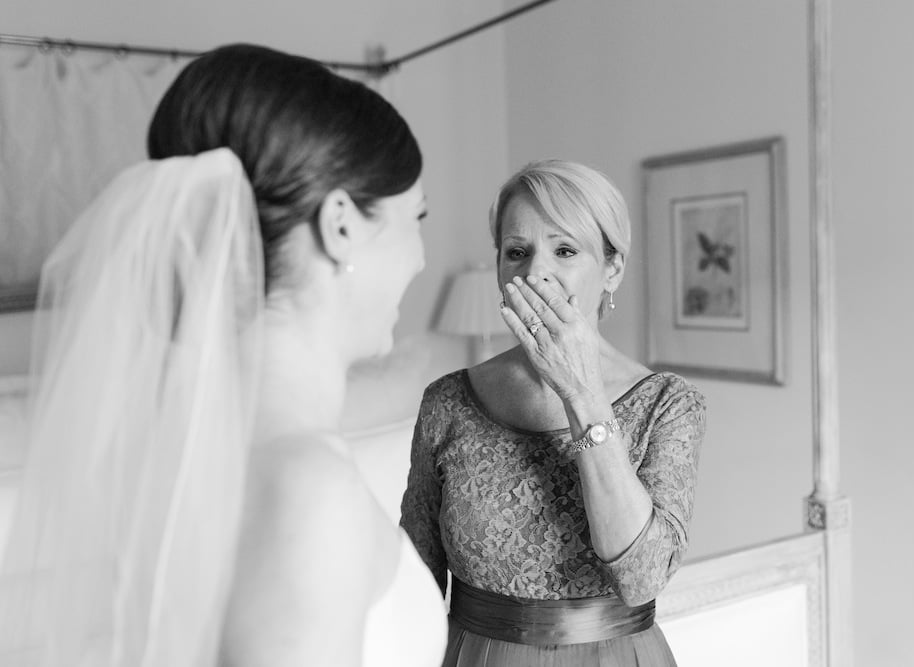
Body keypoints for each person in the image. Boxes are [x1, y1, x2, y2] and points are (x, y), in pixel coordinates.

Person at [0, 44, 446, 666]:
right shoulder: (307, 491)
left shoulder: (194, 460)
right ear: (340, 223)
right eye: (415, 217)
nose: (422, 257)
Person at [401, 160, 706, 666]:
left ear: (612, 268)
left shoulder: (668, 404)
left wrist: (581, 393)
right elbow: (415, 585)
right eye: (516, 252)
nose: (534, 271)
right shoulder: (448, 402)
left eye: (564, 250)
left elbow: (642, 578)